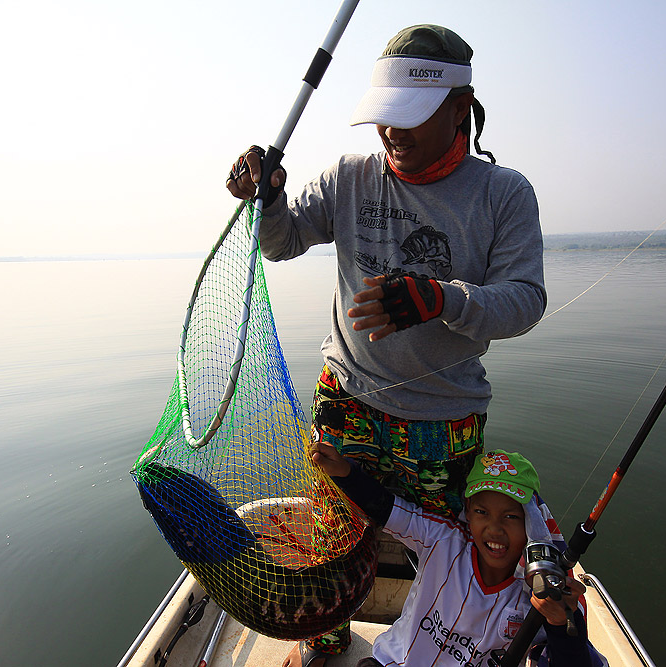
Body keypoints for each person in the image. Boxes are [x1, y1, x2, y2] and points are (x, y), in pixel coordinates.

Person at [226, 24, 547, 666]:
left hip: (442, 419)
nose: (391, 133)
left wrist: (443, 298)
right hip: (345, 402)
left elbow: (525, 301)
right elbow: (281, 240)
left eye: (409, 118)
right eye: (383, 118)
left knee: (445, 557)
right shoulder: (351, 176)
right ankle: (324, 643)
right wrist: (268, 195)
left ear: (461, 109)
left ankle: (426, 653)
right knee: (330, 537)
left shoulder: (504, 193)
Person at [312, 441, 601, 667]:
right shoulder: (442, 538)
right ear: (467, 514)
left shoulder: (538, 593)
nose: (494, 528)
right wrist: (346, 473)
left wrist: (561, 623)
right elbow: (386, 508)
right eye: (481, 512)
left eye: (511, 517)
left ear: (531, 523)